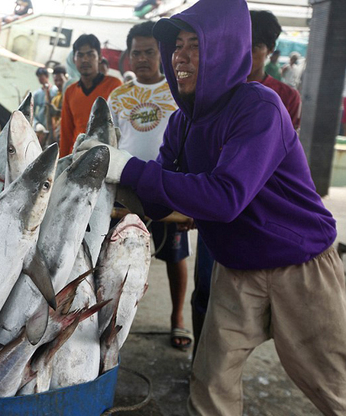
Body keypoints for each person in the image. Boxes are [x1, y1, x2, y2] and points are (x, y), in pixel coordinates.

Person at [78, 0, 346, 413]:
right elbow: (156, 195)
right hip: (235, 267)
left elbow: (225, 198)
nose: (179, 55)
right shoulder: (184, 122)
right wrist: (103, 172)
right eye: (177, 45)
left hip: (301, 266)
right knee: (210, 385)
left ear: (224, 50)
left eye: (195, 45)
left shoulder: (259, 107)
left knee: (332, 387)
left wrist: (129, 167)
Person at [189, 7, 305, 361]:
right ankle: (200, 358)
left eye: (256, 45)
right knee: (206, 287)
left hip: (259, 214)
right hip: (219, 208)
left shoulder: (281, 98)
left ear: (269, 51)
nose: (247, 52)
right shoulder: (211, 95)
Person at [108, 21, 191, 350]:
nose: (142, 58)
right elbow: (111, 143)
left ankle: (177, 319)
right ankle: (113, 318)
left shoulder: (178, 90)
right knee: (117, 259)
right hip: (126, 193)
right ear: (128, 57)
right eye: (136, 52)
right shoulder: (118, 96)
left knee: (174, 258)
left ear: (163, 54)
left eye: (150, 52)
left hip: (169, 187)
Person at [59, 34, 122, 157]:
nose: (85, 60)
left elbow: (122, 129)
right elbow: (66, 132)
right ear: (74, 59)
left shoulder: (114, 86)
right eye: (80, 55)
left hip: (107, 158)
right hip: (77, 157)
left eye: (90, 54)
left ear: (99, 58)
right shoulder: (70, 91)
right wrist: (62, 162)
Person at [46, 65, 67, 145]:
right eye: (56, 80)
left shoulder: (70, 94)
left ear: (66, 77)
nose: (58, 83)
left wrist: (57, 112)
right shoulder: (55, 98)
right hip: (57, 135)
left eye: (61, 80)